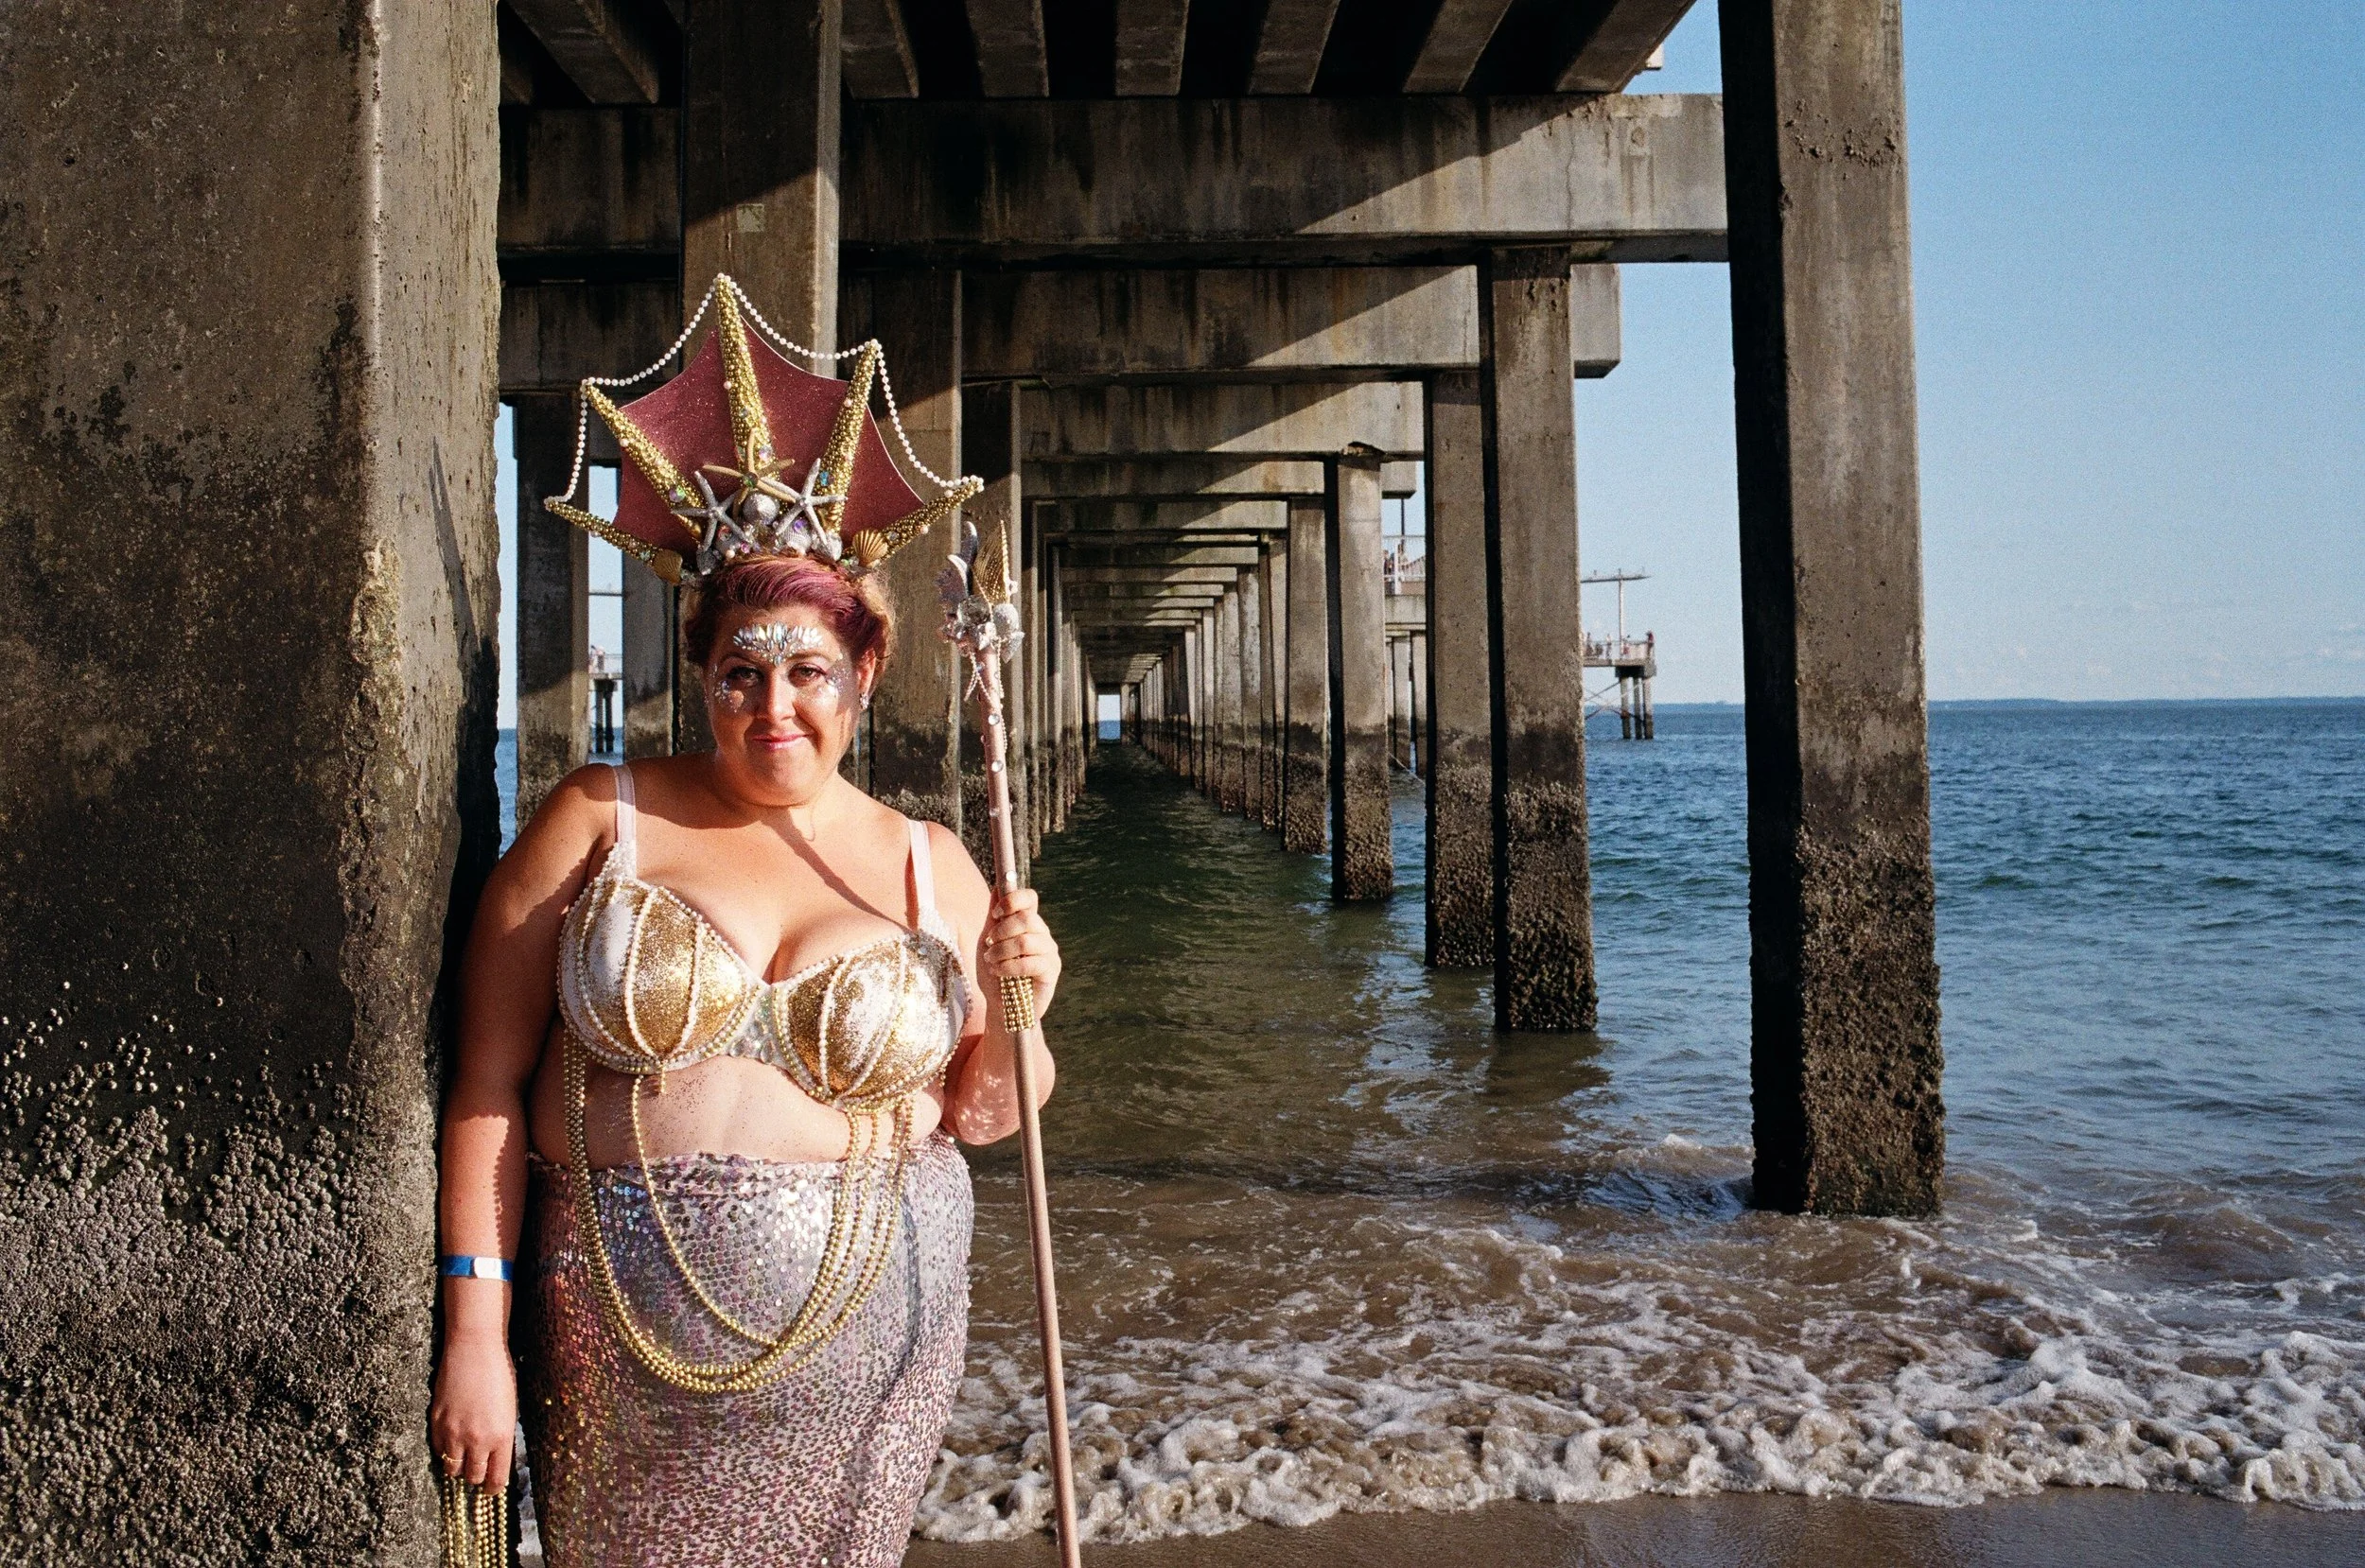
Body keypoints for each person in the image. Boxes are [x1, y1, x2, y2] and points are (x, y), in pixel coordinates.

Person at [428, 279, 1060, 1567]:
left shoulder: (935, 867)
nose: (776, 706)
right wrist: (474, 1328)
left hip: (869, 1359)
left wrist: (1027, 998)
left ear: (865, 674)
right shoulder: (599, 821)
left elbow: (989, 1111)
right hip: (613, 1348)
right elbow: (486, 1082)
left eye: (809, 671)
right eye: (743, 670)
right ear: (702, 667)